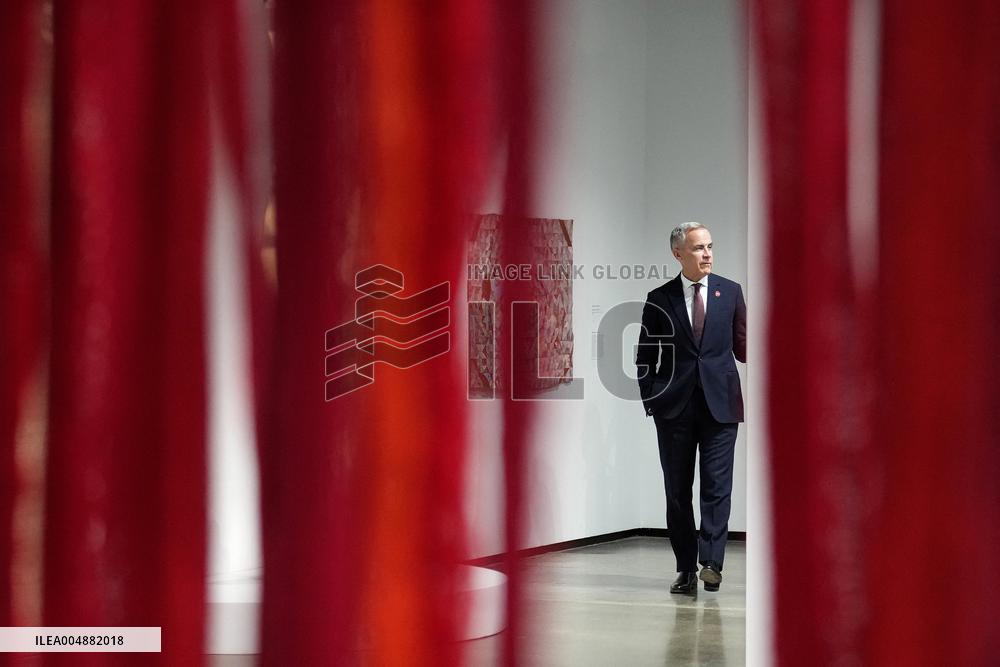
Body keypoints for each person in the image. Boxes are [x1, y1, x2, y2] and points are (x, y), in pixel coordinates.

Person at [635, 222, 746, 594]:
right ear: (678, 253)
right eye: (699, 248)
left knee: (717, 487)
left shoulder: (731, 292)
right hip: (674, 410)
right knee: (678, 491)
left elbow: (744, 348)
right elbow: (645, 356)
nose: (708, 254)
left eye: (710, 246)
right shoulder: (659, 298)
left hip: (721, 407)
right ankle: (685, 568)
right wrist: (652, 399)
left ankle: (711, 563)